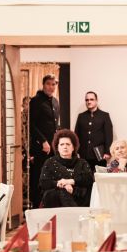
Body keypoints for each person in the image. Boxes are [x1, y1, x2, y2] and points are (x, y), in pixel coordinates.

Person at [28, 74, 60, 209]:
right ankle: (37, 206)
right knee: (38, 176)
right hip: (40, 147)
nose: (51, 87)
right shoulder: (35, 101)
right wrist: (43, 141)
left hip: (53, 147)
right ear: (43, 85)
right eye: (48, 84)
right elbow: (31, 125)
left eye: (53, 84)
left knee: (51, 176)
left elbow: (55, 125)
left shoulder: (55, 102)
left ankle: (49, 205)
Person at [39, 129, 93, 207]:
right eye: (62, 144)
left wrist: (70, 181)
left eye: (68, 144)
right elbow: (43, 183)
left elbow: (89, 179)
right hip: (56, 201)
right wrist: (62, 185)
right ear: (57, 147)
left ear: (73, 147)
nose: (65, 147)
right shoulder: (50, 162)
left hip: (79, 197)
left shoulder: (82, 163)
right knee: (59, 192)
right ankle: (73, 212)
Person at [74, 91, 113, 171]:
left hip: (99, 154)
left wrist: (107, 152)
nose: (89, 102)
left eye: (91, 99)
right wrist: (75, 151)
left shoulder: (104, 115)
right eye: (87, 100)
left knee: (99, 176)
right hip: (83, 154)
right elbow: (76, 135)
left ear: (96, 101)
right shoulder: (81, 116)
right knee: (84, 176)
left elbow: (108, 135)